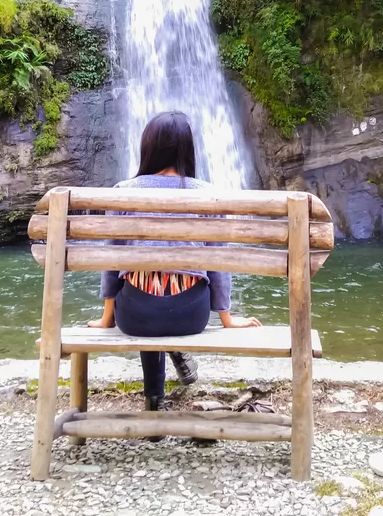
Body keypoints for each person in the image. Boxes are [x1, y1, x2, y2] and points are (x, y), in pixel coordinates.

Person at [88, 111, 261, 416]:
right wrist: (227, 319)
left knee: (140, 294)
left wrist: (107, 318)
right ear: (187, 151)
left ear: (148, 148)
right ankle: (177, 354)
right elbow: (218, 262)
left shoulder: (121, 193)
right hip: (190, 316)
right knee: (169, 296)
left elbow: (111, 260)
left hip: (136, 317)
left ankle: (153, 400)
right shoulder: (210, 196)